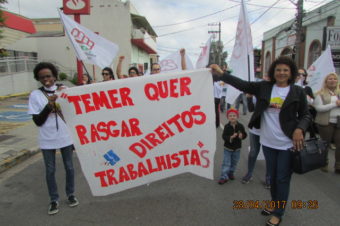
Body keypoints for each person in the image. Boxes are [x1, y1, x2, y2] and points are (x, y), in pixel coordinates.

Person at [211, 56, 311, 226]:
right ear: (273, 72)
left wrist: (300, 129)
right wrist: (222, 74)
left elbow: (306, 115)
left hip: (287, 144)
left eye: (285, 70)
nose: (281, 73)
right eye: (278, 70)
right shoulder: (264, 87)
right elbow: (242, 84)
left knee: (282, 179)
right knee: (272, 176)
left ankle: (278, 213)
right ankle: (274, 204)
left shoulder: (297, 91)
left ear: (291, 73)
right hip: (268, 142)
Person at [28, 62, 79, 215]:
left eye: (49, 76)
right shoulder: (35, 95)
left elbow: (75, 110)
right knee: (50, 170)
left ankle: (70, 194)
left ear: (55, 76)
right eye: (42, 77)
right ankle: (54, 199)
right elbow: (38, 121)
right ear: (38, 78)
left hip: (65, 136)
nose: (46, 79)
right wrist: (49, 105)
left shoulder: (65, 90)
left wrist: (65, 94)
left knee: (69, 167)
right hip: (47, 139)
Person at [241, 94, 271, 189]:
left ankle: (268, 177)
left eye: (268, 77)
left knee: (269, 155)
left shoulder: (276, 93)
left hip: (270, 130)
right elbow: (251, 109)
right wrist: (249, 98)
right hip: (255, 129)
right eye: (265, 77)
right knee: (253, 152)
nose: (266, 78)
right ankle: (249, 174)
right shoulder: (258, 92)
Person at [313, 72, 340, 174]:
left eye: (334, 79)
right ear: (326, 81)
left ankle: (338, 165)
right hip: (326, 122)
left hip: (339, 122)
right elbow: (319, 108)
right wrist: (334, 104)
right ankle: (323, 162)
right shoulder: (320, 93)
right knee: (325, 144)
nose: (333, 81)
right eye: (330, 79)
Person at [218, 108, 247, 184]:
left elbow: (245, 134)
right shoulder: (227, 126)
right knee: (226, 163)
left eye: (234, 115)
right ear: (228, 117)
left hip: (237, 149)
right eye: (230, 116)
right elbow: (224, 136)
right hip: (227, 148)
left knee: (234, 162)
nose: (232, 117)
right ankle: (223, 176)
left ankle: (231, 172)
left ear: (237, 117)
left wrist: (242, 136)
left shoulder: (240, 126)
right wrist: (230, 137)